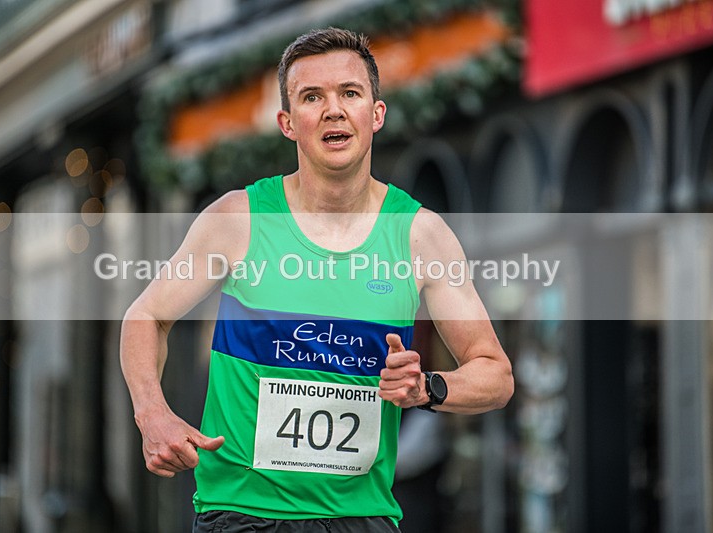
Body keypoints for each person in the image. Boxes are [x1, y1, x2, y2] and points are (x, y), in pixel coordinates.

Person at [120, 27, 513, 533]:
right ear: (287, 123)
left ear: (376, 114)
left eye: (350, 93)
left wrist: (427, 388)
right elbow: (146, 315)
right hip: (244, 515)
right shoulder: (240, 219)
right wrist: (151, 413)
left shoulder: (419, 234)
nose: (333, 109)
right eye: (312, 97)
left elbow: (495, 373)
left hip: (360, 518)